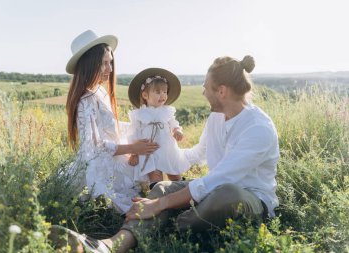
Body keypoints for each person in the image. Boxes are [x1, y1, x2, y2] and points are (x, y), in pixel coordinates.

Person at [55, 55, 280, 253]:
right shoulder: (217, 118)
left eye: (205, 87)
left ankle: (166, 227)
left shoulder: (257, 128)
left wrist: (161, 205)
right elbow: (197, 154)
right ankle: (112, 245)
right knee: (161, 187)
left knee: (227, 194)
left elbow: (221, 179)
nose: (202, 91)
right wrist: (168, 156)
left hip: (249, 198)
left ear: (221, 91)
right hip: (214, 188)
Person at [64, 30, 159, 214]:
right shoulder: (85, 101)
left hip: (114, 152)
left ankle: (163, 191)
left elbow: (111, 126)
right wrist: (132, 148)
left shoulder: (99, 91)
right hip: (100, 163)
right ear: (90, 65)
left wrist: (141, 125)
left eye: (111, 63)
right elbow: (93, 146)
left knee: (149, 150)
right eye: (104, 64)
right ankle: (160, 199)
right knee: (139, 168)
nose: (110, 69)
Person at [126, 68, 190, 187]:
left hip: (167, 149)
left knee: (175, 175)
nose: (163, 95)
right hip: (149, 151)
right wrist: (134, 153)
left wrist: (177, 131)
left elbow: (174, 124)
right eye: (158, 92)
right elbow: (134, 133)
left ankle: (182, 195)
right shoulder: (139, 114)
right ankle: (159, 195)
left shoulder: (167, 111)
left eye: (165, 92)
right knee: (155, 177)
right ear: (145, 95)